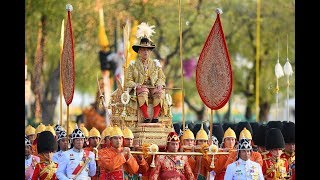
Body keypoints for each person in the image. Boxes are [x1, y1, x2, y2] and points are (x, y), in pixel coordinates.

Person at [125, 22, 166, 123]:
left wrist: (159, 84)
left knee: (159, 93)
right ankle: (146, 116)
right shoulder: (133, 65)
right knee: (143, 91)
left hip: (153, 87)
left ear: (150, 51)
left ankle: (155, 116)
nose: (145, 52)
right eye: (143, 50)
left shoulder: (156, 64)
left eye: (147, 50)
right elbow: (128, 80)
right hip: (140, 89)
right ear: (139, 51)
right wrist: (135, 84)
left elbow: (162, 77)